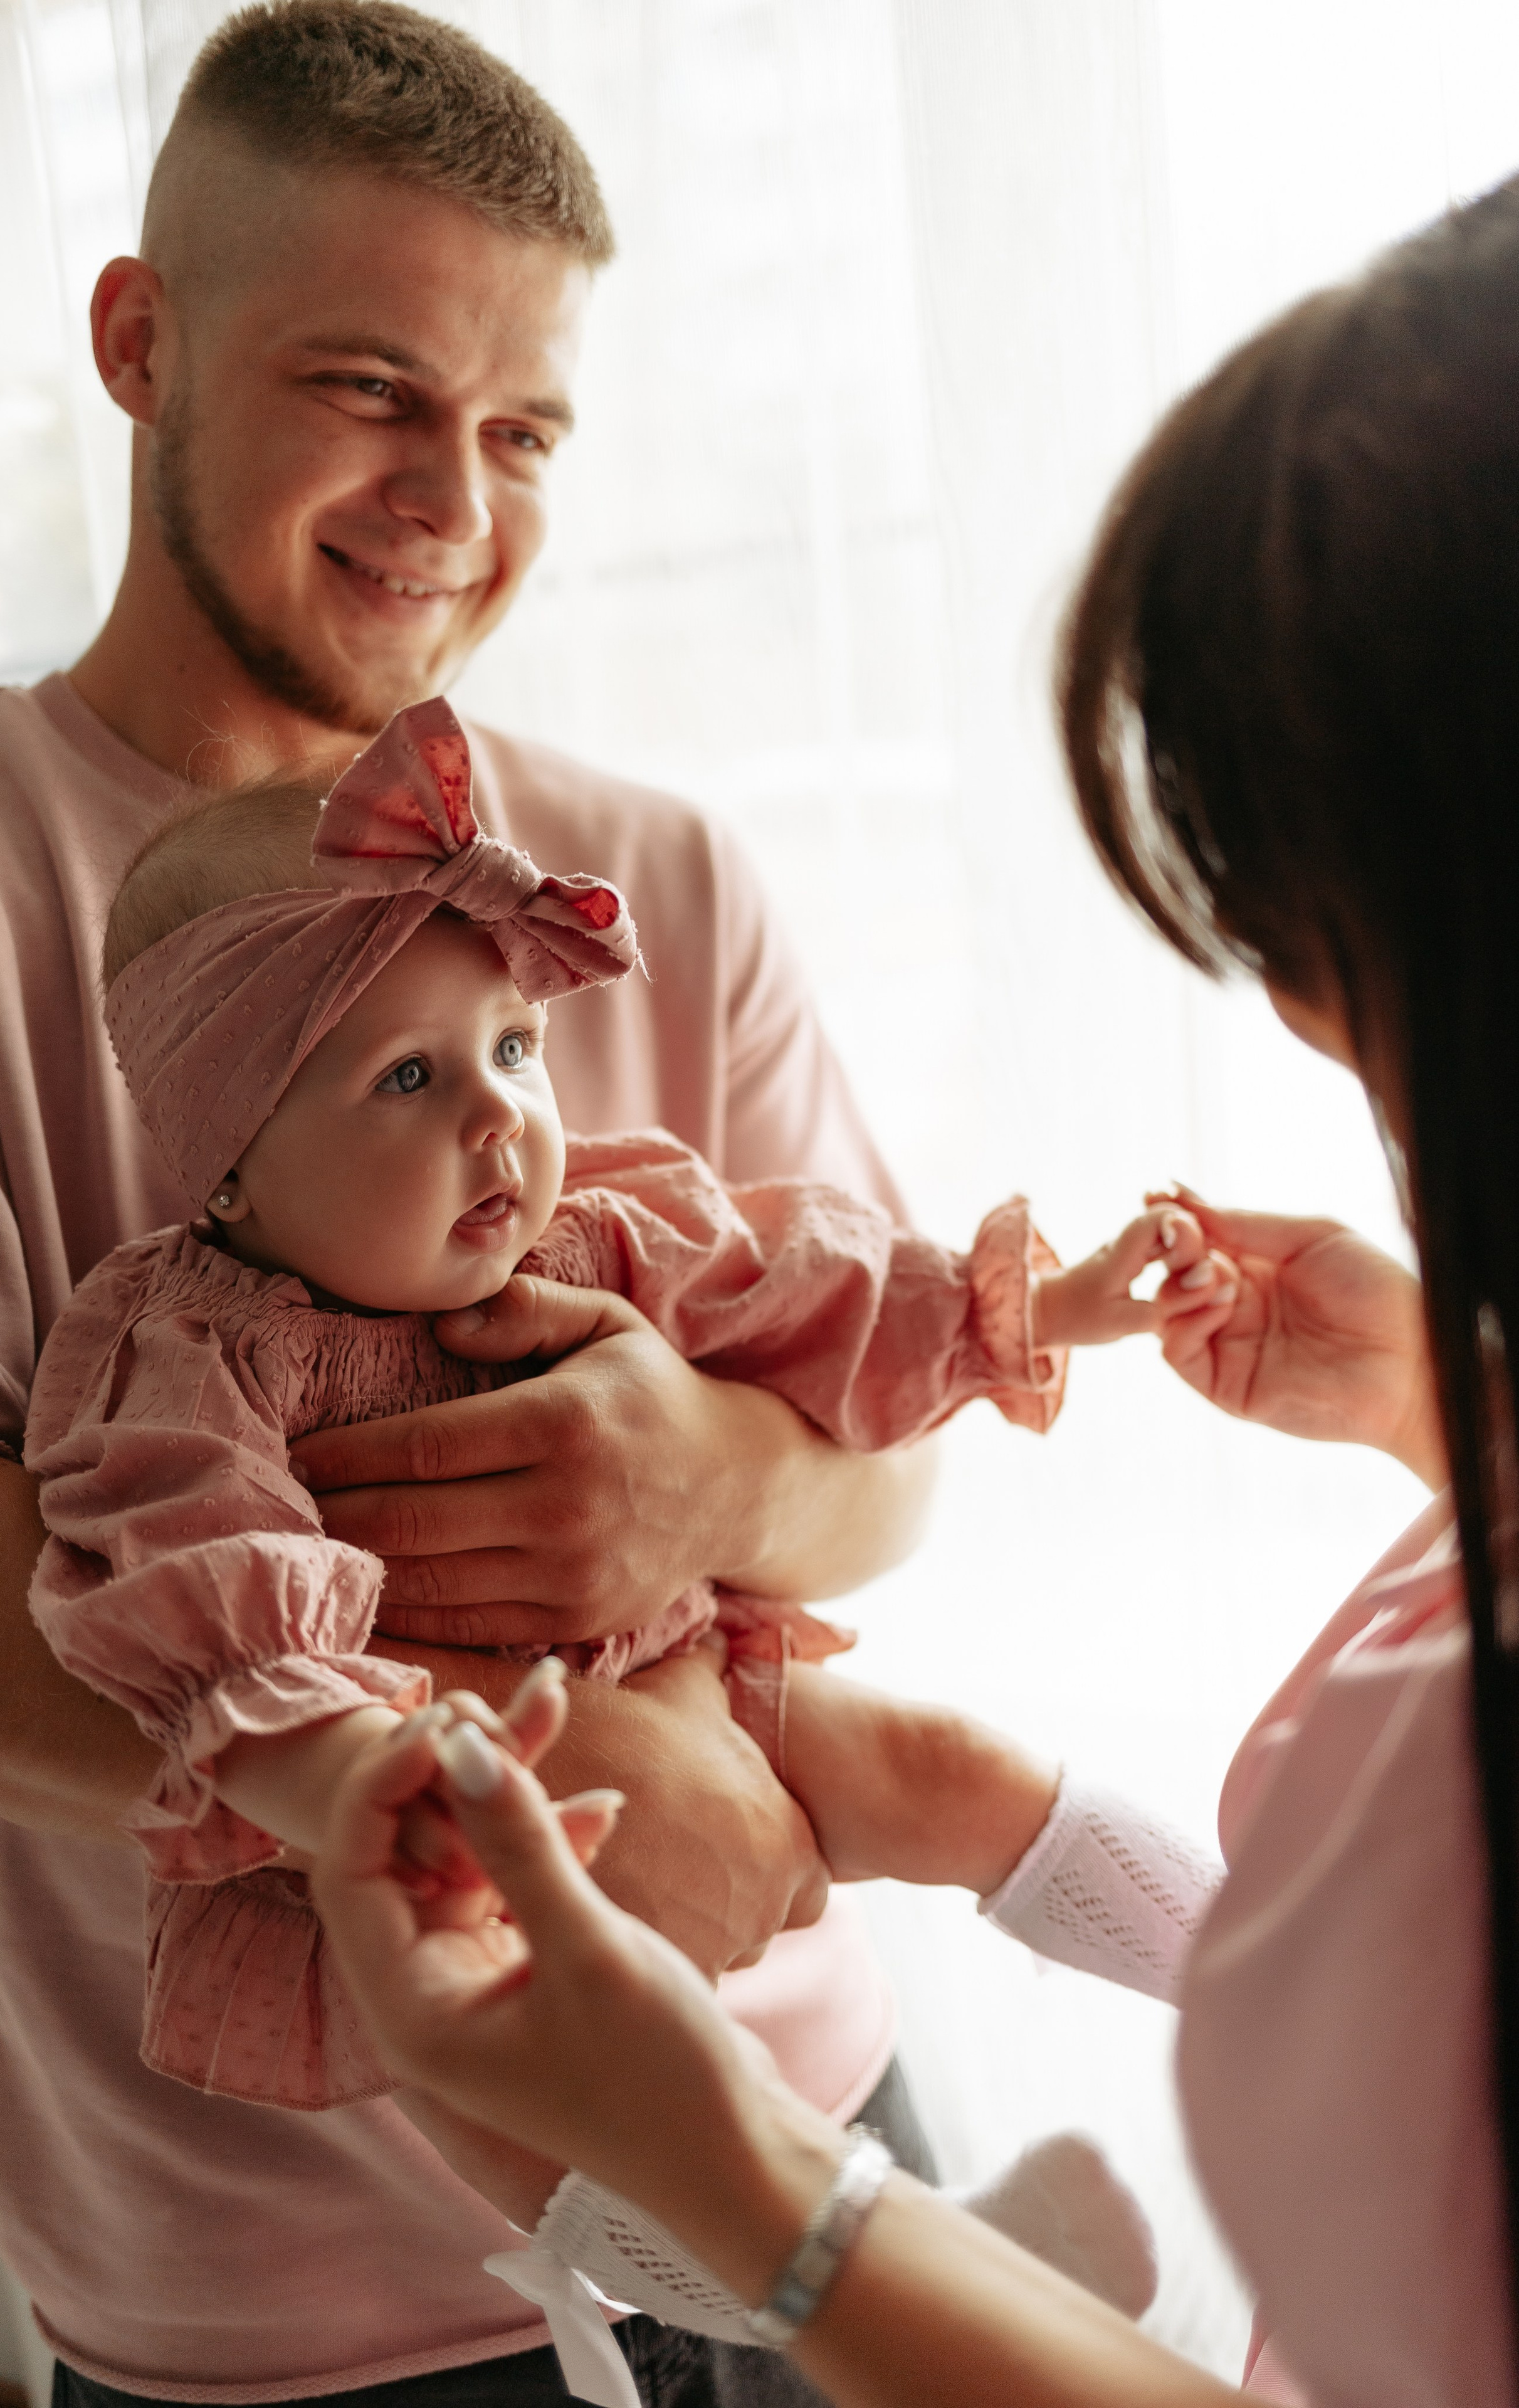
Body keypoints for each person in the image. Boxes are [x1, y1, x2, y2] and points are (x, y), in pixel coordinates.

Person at [305, 169, 1519, 2408]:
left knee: (947, 1774)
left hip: (724, 1788)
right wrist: (1441, 1419)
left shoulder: (649, 1015)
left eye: (1322, 936)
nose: (1295, 1024)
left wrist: (735, 1469)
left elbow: (859, 1349)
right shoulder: (170, 1316)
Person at [0, 7, 949, 2402]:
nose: (451, 504)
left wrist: (726, 1473)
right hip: (296, 2296)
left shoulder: (663, 872)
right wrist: (573, 1757)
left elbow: (892, 1456)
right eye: (372, 392)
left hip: (813, 2131)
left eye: (523, 431)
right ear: (138, 341)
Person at [31, 692, 1229, 2116]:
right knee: (520, 2075)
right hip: (453, 1808)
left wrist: (1058, 1305)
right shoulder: (197, 1359)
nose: (499, 1118)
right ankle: (751, 2264)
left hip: (695, 1681)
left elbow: (808, 1286)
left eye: (513, 1048)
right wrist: (365, 1777)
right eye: (407, 1077)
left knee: (948, 1769)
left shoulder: (602, 1227)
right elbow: (208, 1597)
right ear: (228, 1163)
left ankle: (1264, 1976)